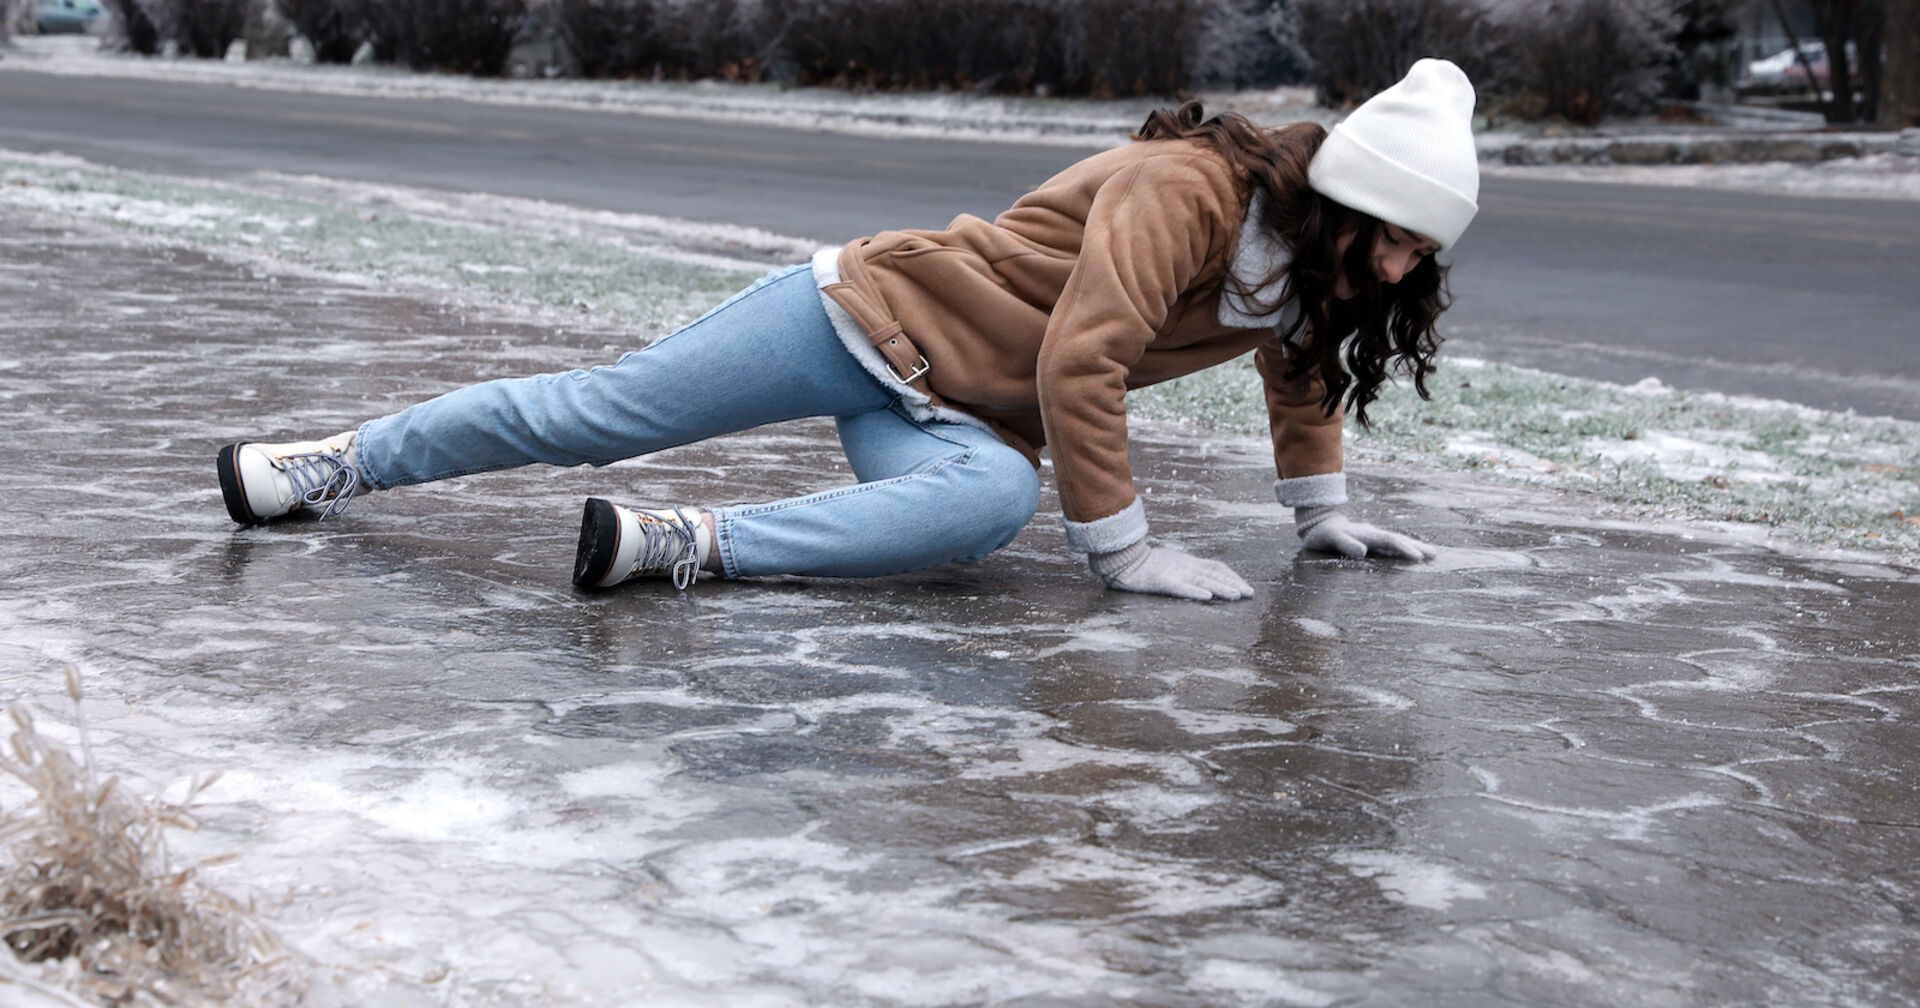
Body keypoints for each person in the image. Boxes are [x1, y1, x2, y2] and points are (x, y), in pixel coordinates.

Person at [215, 59, 1480, 602]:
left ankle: (680, 545)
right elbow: (1083, 357)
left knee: (989, 506)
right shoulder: (1188, 192)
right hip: (861, 316)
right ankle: (331, 463)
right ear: (1341, 200)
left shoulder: (1311, 266)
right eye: (1394, 237)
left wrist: (1319, 514)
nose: (1400, 267)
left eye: (1421, 252)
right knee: (601, 414)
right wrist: (1126, 552)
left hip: (960, 413)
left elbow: (1300, 362)